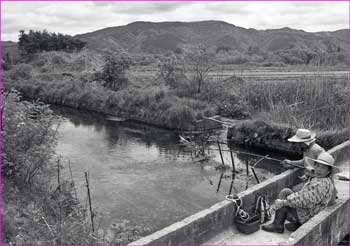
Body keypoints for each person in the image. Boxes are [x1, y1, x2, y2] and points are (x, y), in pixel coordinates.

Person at [262, 152, 338, 233]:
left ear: (328, 171)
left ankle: (278, 225)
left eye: (323, 168)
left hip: (309, 214)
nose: (319, 169)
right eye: (317, 166)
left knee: (285, 193)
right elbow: (307, 193)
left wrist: (284, 202)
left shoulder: (321, 184)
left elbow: (305, 201)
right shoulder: (325, 179)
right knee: (288, 194)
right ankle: (296, 223)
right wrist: (310, 176)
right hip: (312, 210)